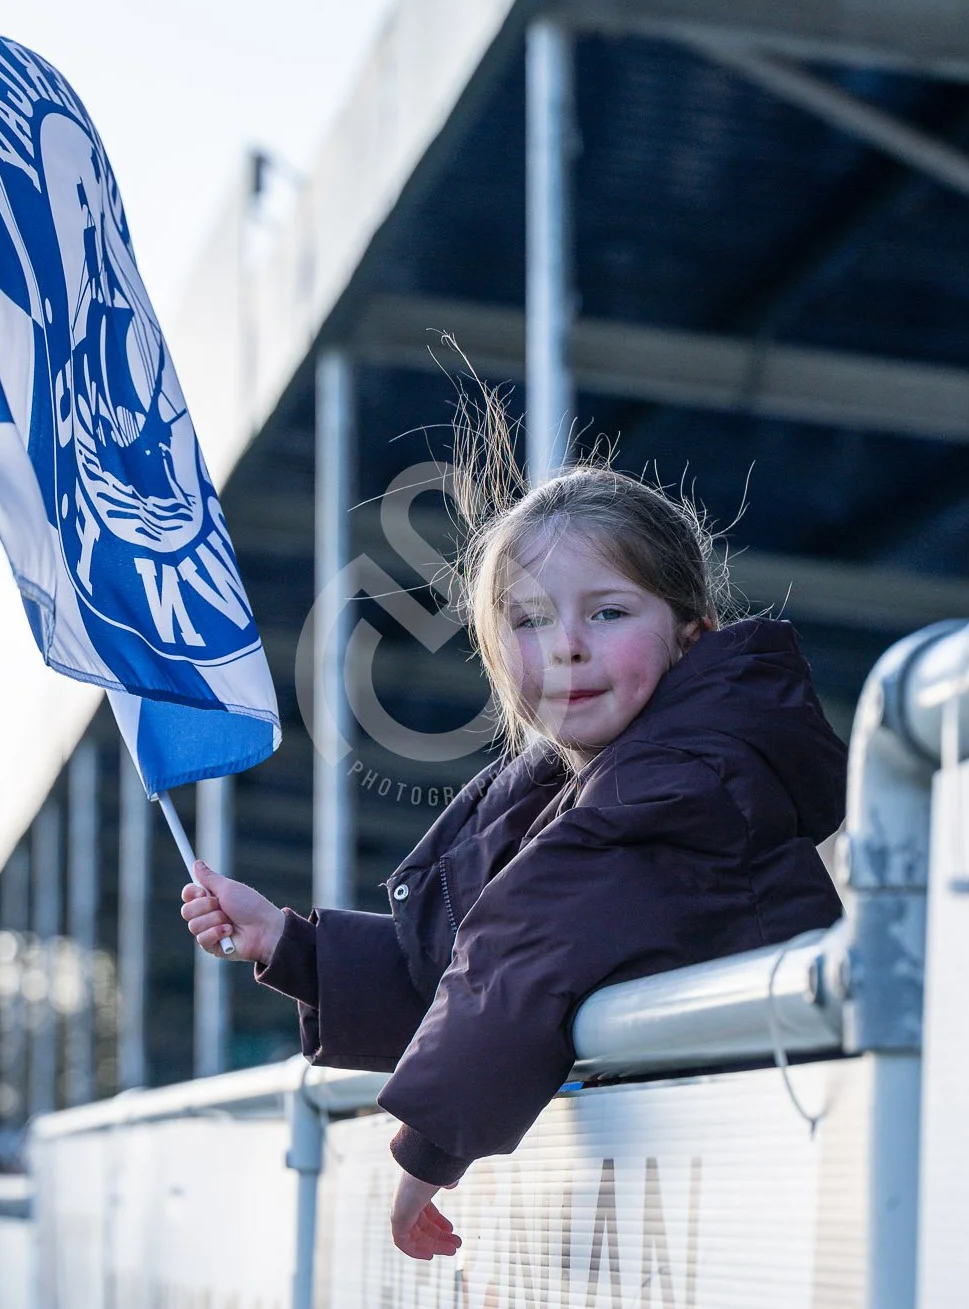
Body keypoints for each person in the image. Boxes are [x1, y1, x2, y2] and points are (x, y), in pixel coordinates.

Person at [178, 400, 846, 1260]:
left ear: (691, 634)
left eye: (607, 612)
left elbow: (529, 947)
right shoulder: (561, 786)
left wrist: (428, 1150)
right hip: (709, 1181)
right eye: (527, 620)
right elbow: (462, 958)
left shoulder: (688, 775)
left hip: (770, 1181)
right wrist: (290, 944)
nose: (565, 646)